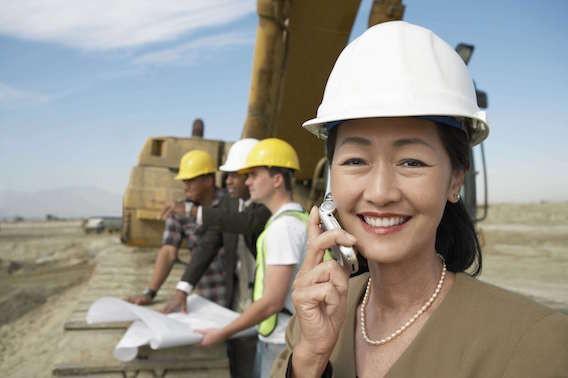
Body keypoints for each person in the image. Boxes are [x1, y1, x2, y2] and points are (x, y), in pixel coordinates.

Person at [272, 21, 568, 377]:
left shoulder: (533, 346)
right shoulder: (309, 322)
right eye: (355, 161)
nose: (380, 192)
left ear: (455, 180)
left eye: (411, 161)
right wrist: (309, 361)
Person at [197, 138, 309, 378]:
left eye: (254, 175)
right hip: (286, 336)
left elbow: (272, 302)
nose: (247, 181)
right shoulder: (296, 219)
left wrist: (223, 332)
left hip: (280, 340)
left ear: (277, 180)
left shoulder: (284, 228)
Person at [161, 139, 271, 378]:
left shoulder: (267, 207)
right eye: (227, 175)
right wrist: (182, 289)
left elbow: (245, 223)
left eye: (235, 175)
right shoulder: (230, 203)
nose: (228, 181)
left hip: (270, 305)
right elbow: (208, 245)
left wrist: (193, 212)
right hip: (240, 299)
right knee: (239, 362)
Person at [127, 150, 227, 307]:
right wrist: (150, 293)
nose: (185, 186)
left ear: (208, 180)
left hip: (240, 296)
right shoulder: (179, 210)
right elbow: (168, 252)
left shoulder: (232, 203)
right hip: (210, 297)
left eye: (190, 181)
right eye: (184, 181)